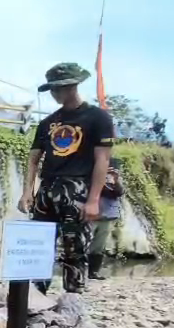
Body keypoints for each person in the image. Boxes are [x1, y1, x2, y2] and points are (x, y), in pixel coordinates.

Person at [18, 63, 114, 294]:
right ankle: (36, 298)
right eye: (52, 89)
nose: (55, 94)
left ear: (73, 86)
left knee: (75, 248)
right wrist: (27, 192)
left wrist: (93, 199)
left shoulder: (97, 118)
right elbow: (33, 159)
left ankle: (73, 300)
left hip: (77, 189)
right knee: (39, 246)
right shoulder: (47, 123)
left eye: (59, 89)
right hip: (48, 188)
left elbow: (102, 160)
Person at [88, 158, 124, 280]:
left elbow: (119, 193)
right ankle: (78, 272)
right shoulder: (91, 175)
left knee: (99, 246)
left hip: (107, 216)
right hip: (91, 215)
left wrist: (115, 180)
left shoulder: (115, 180)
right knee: (83, 244)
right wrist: (99, 177)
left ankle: (93, 272)